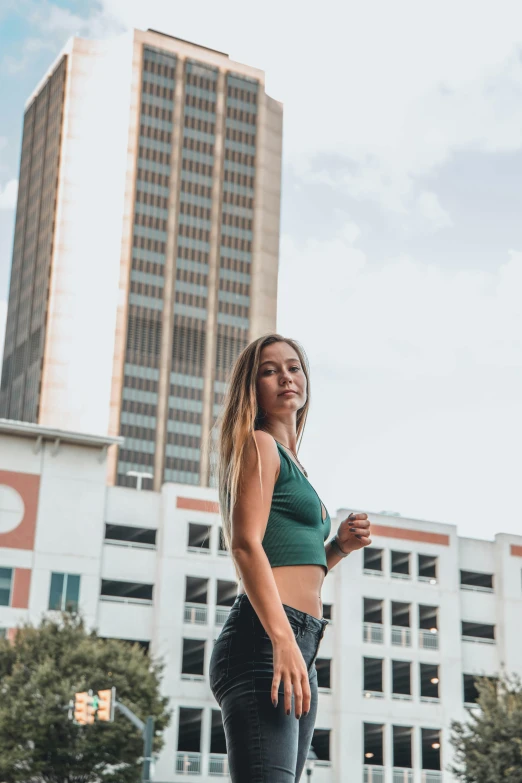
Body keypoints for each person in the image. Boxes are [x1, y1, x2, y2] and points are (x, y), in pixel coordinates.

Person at [209, 333, 372, 782]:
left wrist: (337, 547)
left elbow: (288, 558)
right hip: (268, 637)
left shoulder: (294, 464)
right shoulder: (259, 444)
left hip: (301, 640)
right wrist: (281, 639)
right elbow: (245, 544)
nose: (285, 376)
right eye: (269, 370)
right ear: (253, 387)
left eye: (294, 367)